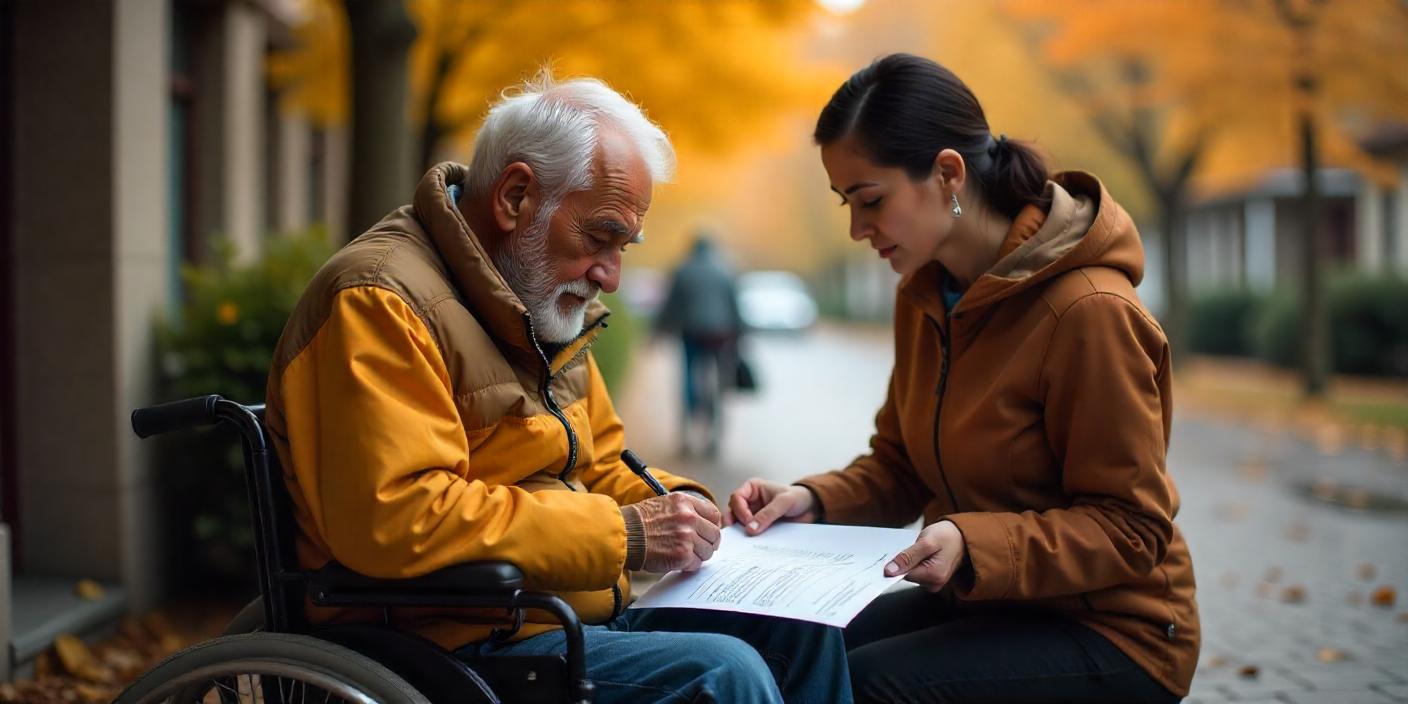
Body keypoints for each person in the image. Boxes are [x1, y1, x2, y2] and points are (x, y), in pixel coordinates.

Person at [265, 71, 849, 703]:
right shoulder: (378, 299)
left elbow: (602, 464)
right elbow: (397, 516)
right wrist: (625, 534)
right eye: (600, 237)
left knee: (802, 629)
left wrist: (686, 507)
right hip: (451, 641)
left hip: (555, 616)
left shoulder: (538, 298)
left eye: (625, 245)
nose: (611, 276)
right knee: (723, 673)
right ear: (515, 197)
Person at [727, 54, 1199, 703]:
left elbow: (1131, 529)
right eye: (846, 203)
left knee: (864, 686)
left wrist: (971, 543)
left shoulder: (1089, 312)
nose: (857, 229)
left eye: (871, 200)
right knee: (798, 649)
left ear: (948, 173)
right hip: (991, 602)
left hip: (1115, 630)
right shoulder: (926, 295)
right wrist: (812, 500)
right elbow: (900, 467)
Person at [654, 232, 745, 457]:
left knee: (687, 378)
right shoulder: (725, 269)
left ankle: (686, 434)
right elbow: (735, 305)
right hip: (720, 334)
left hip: (691, 331)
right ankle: (714, 434)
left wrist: (658, 331)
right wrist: (741, 334)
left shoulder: (683, 270)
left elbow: (670, 305)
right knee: (718, 382)